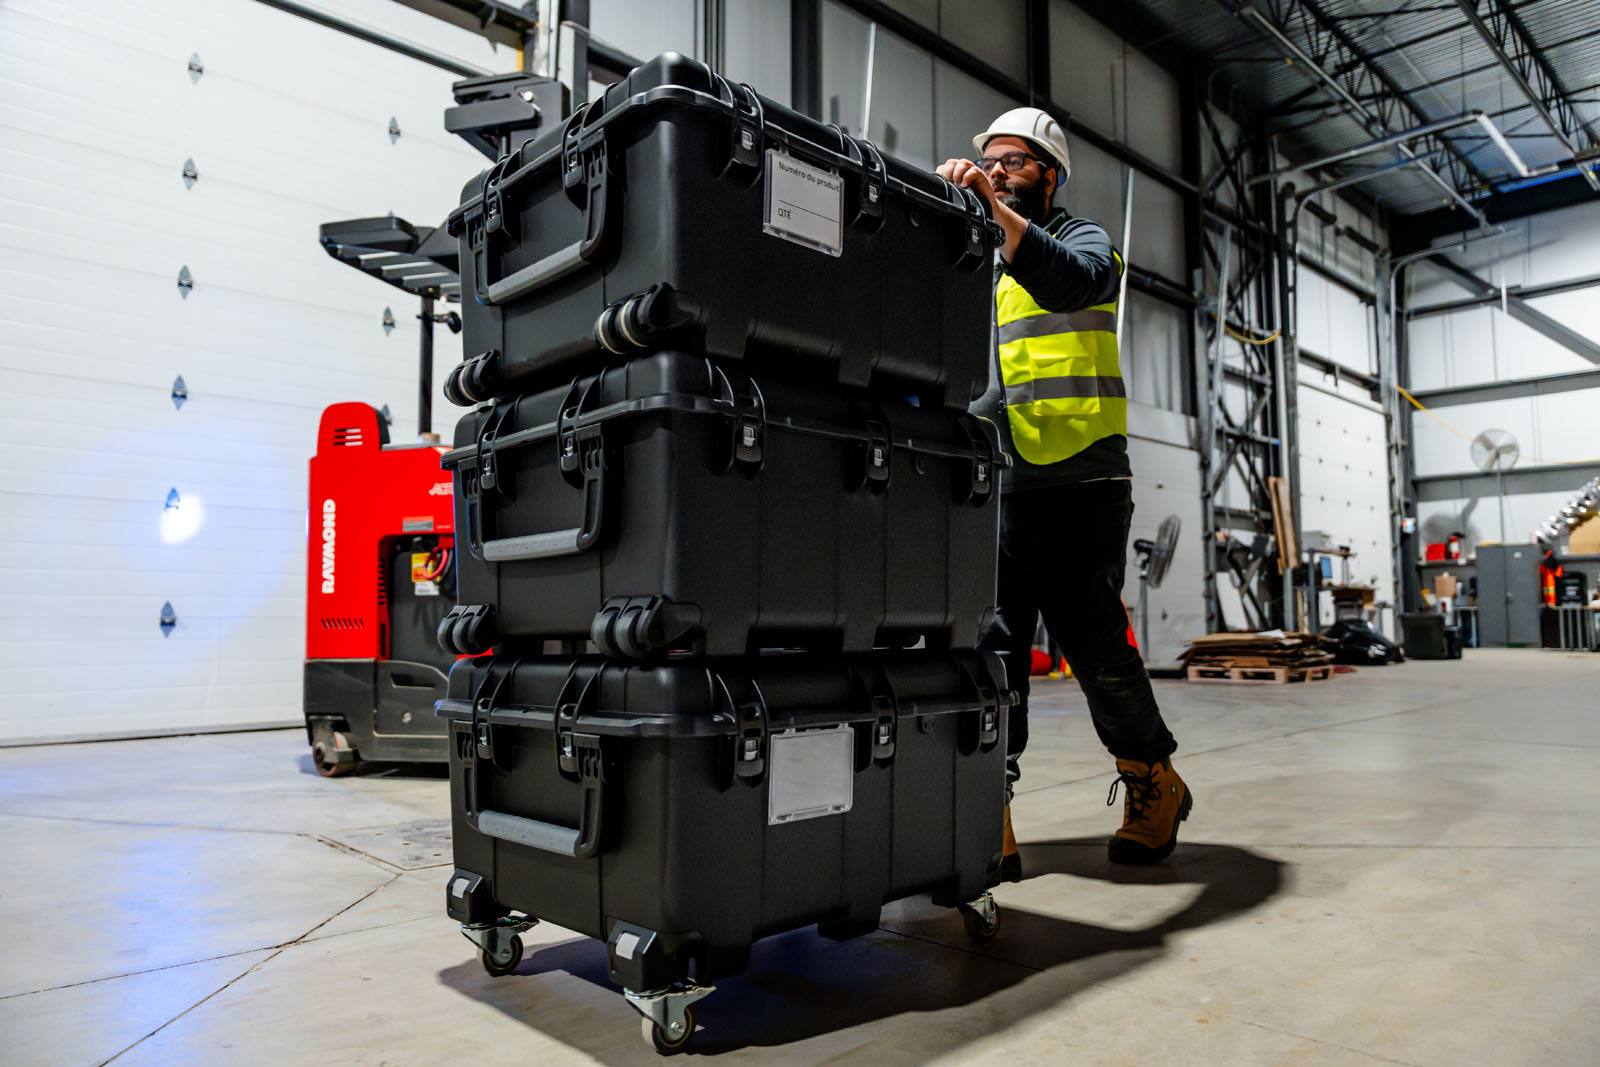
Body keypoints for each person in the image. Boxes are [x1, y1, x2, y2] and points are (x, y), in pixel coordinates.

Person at [937, 108, 1192, 871]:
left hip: (1080, 481)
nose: (998, 170)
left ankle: (1152, 778)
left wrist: (992, 207)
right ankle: (989, 804)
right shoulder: (978, 265)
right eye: (989, 160)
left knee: (1094, 646)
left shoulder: (1085, 244)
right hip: (995, 484)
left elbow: (1069, 280)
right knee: (993, 651)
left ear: (1050, 175)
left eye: (1014, 161)